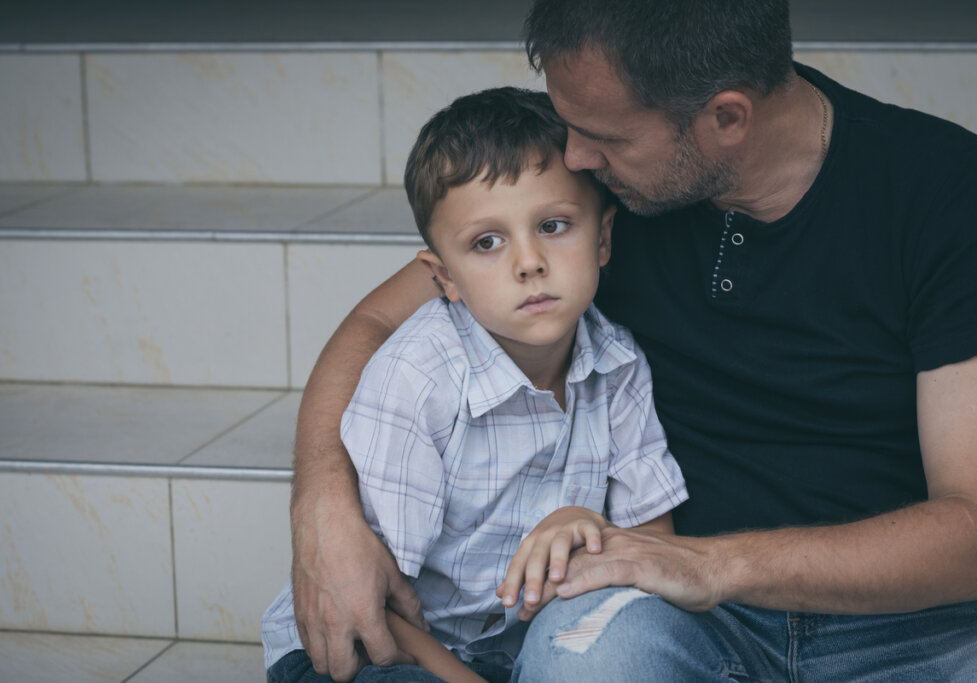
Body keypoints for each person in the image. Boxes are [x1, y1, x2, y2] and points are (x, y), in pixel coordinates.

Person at [288, 1, 977, 680]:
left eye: (602, 137)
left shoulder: (950, 192)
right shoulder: (593, 200)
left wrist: (709, 563)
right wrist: (323, 503)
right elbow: (381, 321)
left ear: (725, 119)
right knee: (583, 661)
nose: (573, 157)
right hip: (665, 607)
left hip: (911, 620)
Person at [263, 86, 687, 683]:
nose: (528, 262)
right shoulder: (419, 376)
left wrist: (587, 526)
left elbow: (655, 548)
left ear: (603, 238)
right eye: (486, 243)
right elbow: (371, 595)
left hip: (511, 648)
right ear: (444, 277)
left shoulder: (619, 366)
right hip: (377, 643)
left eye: (554, 225)